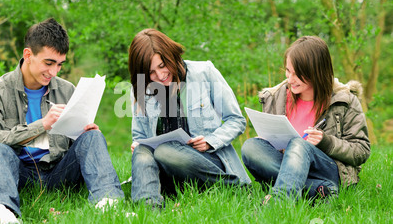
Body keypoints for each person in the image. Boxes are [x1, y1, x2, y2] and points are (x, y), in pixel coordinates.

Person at [0, 18, 124, 224]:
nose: (54, 72)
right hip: (21, 173)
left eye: (59, 64)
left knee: (93, 136)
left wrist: (84, 133)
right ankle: (3, 211)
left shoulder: (67, 90)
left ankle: (108, 204)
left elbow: (77, 143)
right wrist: (42, 125)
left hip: (60, 172)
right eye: (48, 63)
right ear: (28, 55)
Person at [128, 28, 251, 209]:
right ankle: (149, 210)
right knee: (142, 151)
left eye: (162, 66)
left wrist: (211, 141)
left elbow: (236, 120)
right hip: (168, 171)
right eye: (151, 72)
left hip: (206, 162)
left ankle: (233, 187)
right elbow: (139, 136)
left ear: (171, 55)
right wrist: (138, 145)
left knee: (164, 150)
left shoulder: (204, 72)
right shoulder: (141, 88)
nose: (160, 76)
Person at [241, 36, 370, 204]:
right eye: (288, 71)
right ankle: (319, 190)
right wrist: (268, 142)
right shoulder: (276, 97)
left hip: (326, 169)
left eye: (297, 74)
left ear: (316, 72)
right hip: (287, 163)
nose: (290, 79)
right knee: (251, 147)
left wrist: (326, 142)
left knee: (299, 143)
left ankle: (279, 203)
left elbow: (362, 150)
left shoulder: (344, 101)